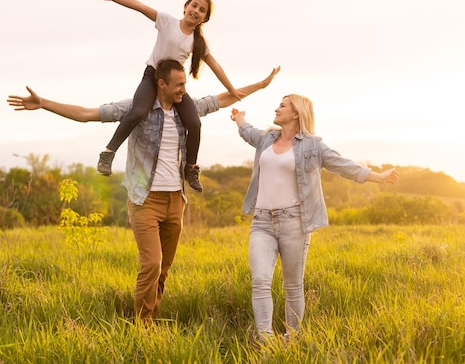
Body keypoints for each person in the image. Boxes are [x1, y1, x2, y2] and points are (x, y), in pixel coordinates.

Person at [9, 60, 280, 325]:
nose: (183, 90)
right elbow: (87, 114)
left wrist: (262, 84)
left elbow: (224, 98)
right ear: (161, 84)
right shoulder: (136, 109)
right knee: (151, 263)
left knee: (162, 270)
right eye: (178, 85)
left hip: (176, 200)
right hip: (144, 200)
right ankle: (143, 326)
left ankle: (152, 314)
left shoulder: (187, 110)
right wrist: (44, 103)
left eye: (185, 84)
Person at [230, 94, 399, 342]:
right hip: (262, 222)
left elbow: (345, 166)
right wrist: (239, 118)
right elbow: (248, 132)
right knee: (260, 279)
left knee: (293, 286)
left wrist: (379, 176)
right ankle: (265, 342)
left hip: (295, 223)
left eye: (283, 105)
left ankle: (292, 340)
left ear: (296, 113)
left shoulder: (313, 146)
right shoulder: (266, 138)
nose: (277, 108)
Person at [90, 0, 265, 192]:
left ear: (204, 19)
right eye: (194, 6)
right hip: (153, 77)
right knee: (137, 112)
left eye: (202, 10)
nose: (196, 11)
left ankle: (190, 168)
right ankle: (109, 153)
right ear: (185, 7)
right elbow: (139, 6)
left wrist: (231, 89)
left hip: (175, 86)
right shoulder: (167, 21)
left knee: (194, 123)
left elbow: (215, 66)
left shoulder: (197, 41)